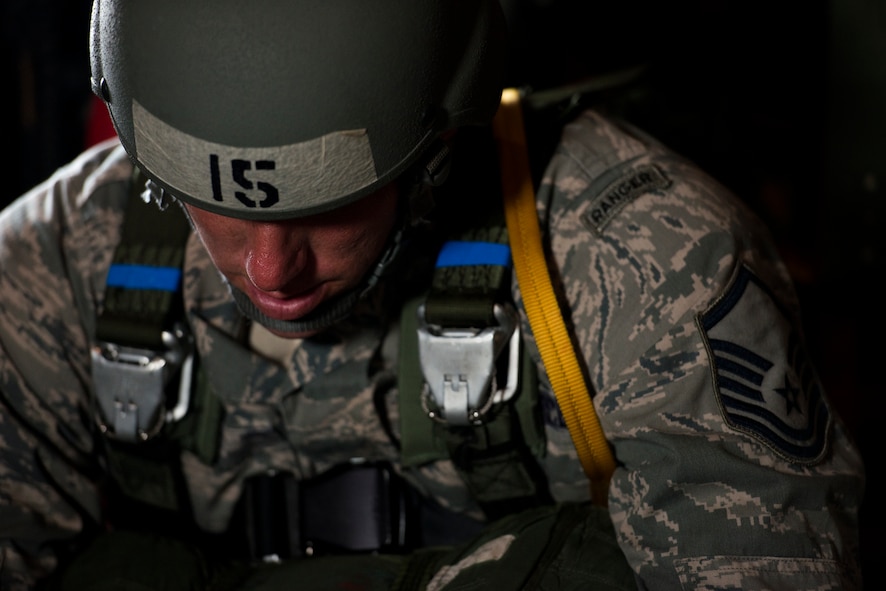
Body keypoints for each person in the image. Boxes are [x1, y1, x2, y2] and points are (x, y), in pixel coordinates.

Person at [0, 1, 864, 589]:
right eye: (211, 202)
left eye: (331, 203)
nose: (270, 271)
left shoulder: (642, 256)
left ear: (439, 143)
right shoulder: (54, 261)